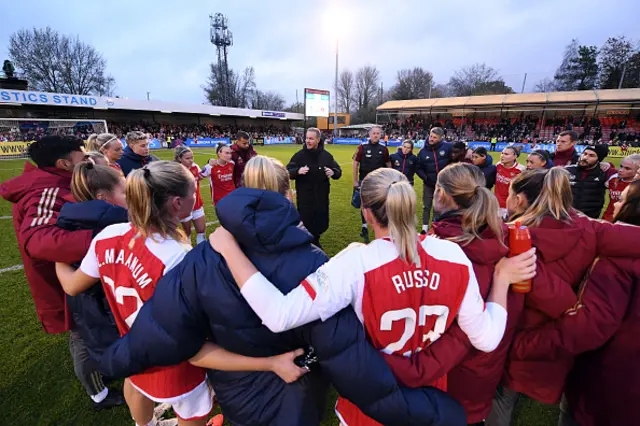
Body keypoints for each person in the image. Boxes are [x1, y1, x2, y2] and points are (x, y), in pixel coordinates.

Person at [98, 157, 467, 426]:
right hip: (297, 391)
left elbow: (177, 342)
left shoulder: (201, 259)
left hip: (238, 391)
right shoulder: (317, 264)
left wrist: (114, 360)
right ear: (287, 194)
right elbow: (347, 355)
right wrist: (435, 412)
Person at [209, 167, 537, 426]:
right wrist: (501, 281)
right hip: (428, 398)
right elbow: (488, 337)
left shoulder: (356, 262)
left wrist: (228, 248)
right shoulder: (453, 256)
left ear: (366, 213)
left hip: (369, 400)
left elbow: (279, 314)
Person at [55, 161, 231, 426]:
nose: (196, 199)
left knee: (136, 386)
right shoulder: (177, 257)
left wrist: (57, 256)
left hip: (128, 348)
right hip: (176, 364)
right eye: (193, 194)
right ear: (176, 203)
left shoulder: (107, 236)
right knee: (192, 410)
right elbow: (193, 327)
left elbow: (71, 285)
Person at [488, 168, 640, 426]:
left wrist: (568, 305)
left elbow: (555, 297)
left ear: (519, 199)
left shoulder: (508, 237)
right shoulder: (587, 227)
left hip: (518, 338)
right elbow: (630, 238)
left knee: (501, 401)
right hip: (554, 347)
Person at [382, 163, 529, 425]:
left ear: (440, 194)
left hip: (447, 372)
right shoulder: (508, 238)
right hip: (484, 368)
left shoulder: (444, 248)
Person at [0, 136, 124, 410]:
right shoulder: (44, 189)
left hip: (78, 275)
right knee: (81, 334)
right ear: (64, 163)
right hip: (64, 282)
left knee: (93, 328)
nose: (86, 161)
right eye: (81, 158)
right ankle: (98, 394)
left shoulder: (54, 181)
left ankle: (105, 368)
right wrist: (102, 240)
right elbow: (38, 240)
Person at [57, 162, 128, 364]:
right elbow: (72, 285)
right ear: (102, 198)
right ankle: (100, 392)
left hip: (91, 307)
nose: (130, 197)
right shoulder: (114, 226)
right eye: (125, 193)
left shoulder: (70, 219)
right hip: (105, 305)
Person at [286, 128, 342, 248]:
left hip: (321, 196)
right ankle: (308, 242)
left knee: (320, 221)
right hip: (305, 197)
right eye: (306, 138)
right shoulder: (299, 156)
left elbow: (338, 171)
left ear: (318, 140)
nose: (308, 141)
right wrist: (297, 171)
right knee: (306, 220)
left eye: (311, 138)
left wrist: (333, 172)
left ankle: (316, 239)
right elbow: (286, 172)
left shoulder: (326, 156)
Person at [352, 125, 390, 242]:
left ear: (380, 135)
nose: (376, 135)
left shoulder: (383, 149)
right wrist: (355, 181)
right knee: (364, 205)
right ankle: (364, 226)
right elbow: (355, 163)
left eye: (378, 133)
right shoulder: (362, 147)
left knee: (379, 204)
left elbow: (388, 164)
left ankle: (378, 225)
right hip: (364, 180)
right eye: (374, 133)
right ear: (369, 135)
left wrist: (388, 178)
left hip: (379, 182)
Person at [416, 127, 452, 232]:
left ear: (441, 138)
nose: (431, 139)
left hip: (442, 184)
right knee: (426, 206)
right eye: (431, 136)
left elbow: (460, 153)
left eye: (435, 137)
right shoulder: (422, 151)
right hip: (428, 184)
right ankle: (424, 228)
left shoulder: (448, 147)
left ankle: (435, 226)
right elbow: (418, 168)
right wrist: (425, 178)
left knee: (438, 207)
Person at [565, 145, 616, 218]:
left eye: (591, 156)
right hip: (566, 216)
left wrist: (610, 165)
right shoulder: (568, 170)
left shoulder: (604, 173)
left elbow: (625, 176)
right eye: (584, 153)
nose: (585, 157)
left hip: (590, 219)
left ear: (599, 159)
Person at [175, 146, 206, 245]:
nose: (191, 160)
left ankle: (201, 253)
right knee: (186, 233)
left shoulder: (195, 167)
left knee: (201, 231)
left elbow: (200, 177)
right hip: (184, 207)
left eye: (192, 157)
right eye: (187, 158)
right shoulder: (176, 170)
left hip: (197, 204)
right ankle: (188, 252)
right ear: (179, 158)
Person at [601, 154, 640, 221]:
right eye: (621, 166)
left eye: (627, 168)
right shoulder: (613, 178)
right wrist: (608, 164)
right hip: (607, 219)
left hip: (627, 223)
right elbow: (606, 167)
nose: (621, 170)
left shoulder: (637, 186)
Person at [495, 146, 525, 218]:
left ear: (515, 156)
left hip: (509, 206)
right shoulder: (498, 165)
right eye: (502, 153)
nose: (502, 156)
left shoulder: (521, 170)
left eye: (506, 154)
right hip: (496, 203)